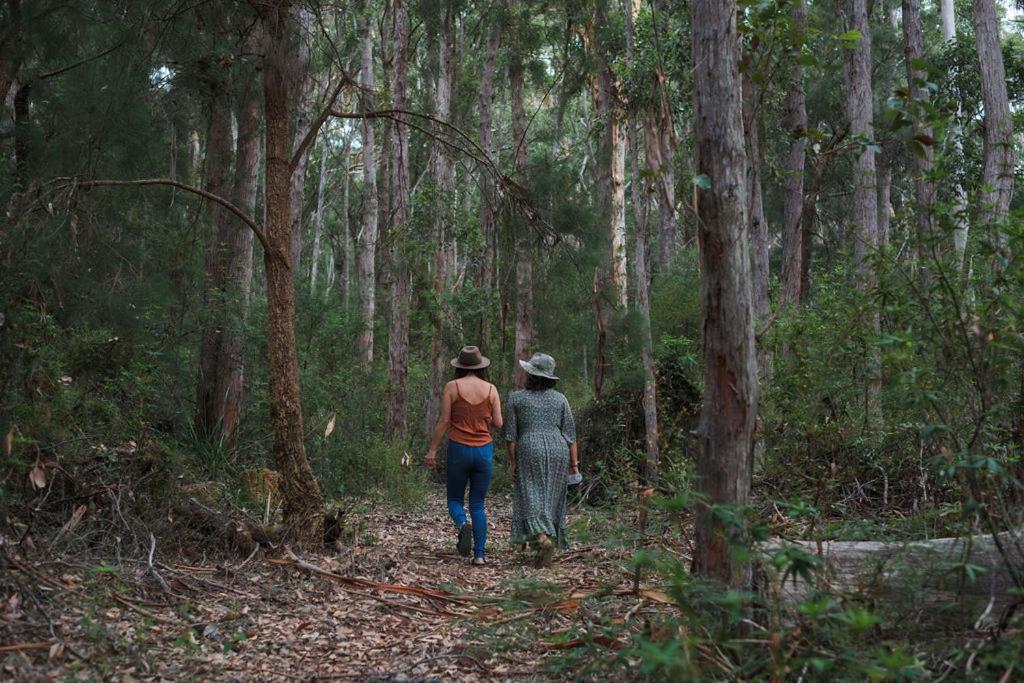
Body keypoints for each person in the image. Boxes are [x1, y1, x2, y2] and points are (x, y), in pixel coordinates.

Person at [425, 345, 503, 566]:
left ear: (459, 366)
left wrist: (432, 449)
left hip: (459, 448)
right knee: (477, 503)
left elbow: (444, 421)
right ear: (480, 366)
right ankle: (479, 555)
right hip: (483, 451)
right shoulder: (491, 389)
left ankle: (462, 525)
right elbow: (498, 423)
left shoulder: (452, 387)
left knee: (454, 499)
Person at [504, 352, 579, 567]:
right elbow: (571, 436)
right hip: (559, 450)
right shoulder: (560, 399)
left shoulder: (516, 398)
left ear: (530, 374)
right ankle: (543, 548)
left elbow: (511, 437)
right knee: (551, 498)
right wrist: (574, 466)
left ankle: (542, 539)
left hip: (529, 448)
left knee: (529, 497)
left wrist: (514, 462)